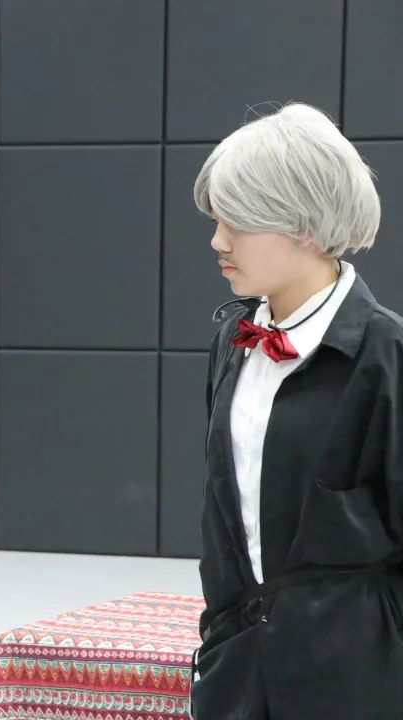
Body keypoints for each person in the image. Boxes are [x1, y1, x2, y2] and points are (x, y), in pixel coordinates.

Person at [192, 103, 403, 719]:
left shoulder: (386, 356)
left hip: (355, 681)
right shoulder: (232, 345)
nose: (217, 241)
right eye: (216, 220)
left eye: (236, 221)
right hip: (236, 668)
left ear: (302, 225)